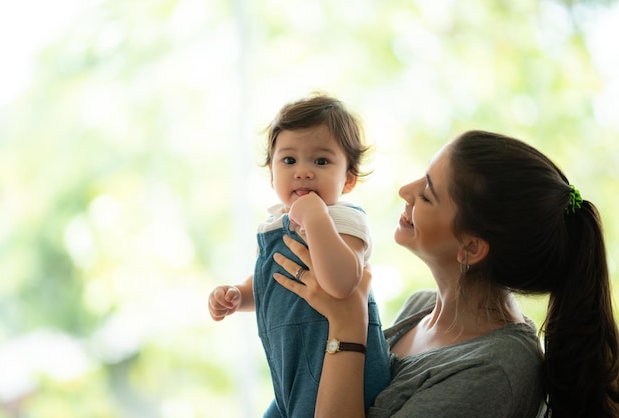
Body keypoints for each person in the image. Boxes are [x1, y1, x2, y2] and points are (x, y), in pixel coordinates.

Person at [273, 130, 619, 417]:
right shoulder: (419, 308)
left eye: (427, 193)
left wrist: (347, 327)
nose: (405, 191)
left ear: (471, 248)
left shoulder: (494, 371)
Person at [207, 93, 390, 417]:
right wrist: (238, 294)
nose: (303, 171)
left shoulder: (342, 218)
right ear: (272, 171)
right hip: (288, 369)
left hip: (340, 366)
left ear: (348, 178)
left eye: (321, 161)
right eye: (289, 160)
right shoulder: (273, 225)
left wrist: (316, 218)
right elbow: (273, 279)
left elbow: (343, 284)